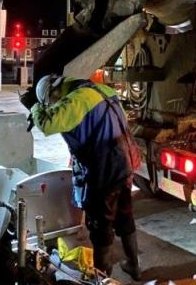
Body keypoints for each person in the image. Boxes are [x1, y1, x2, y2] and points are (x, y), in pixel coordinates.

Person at [27, 74, 141, 280]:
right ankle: (134, 265)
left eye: (51, 102)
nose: (54, 105)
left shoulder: (76, 100)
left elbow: (47, 124)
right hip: (125, 161)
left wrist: (36, 108)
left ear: (55, 92)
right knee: (124, 214)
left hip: (104, 169)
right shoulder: (103, 90)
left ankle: (101, 278)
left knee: (101, 225)